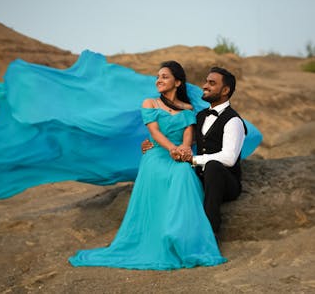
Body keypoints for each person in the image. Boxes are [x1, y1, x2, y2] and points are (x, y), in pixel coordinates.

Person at [68, 61, 225, 270]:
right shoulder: (149, 103)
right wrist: (172, 149)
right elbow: (155, 133)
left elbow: (188, 135)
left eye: (165, 76)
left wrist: (185, 150)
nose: (159, 80)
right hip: (157, 154)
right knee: (169, 174)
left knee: (183, 174)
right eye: (158, 76)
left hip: (180, 155)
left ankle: (180, 236)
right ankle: (160, 239)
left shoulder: (188, 108)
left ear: (177, 82)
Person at [143, 66, 246, 239]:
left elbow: (229, 158)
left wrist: (194, 159)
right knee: (180, 174)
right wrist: (151, 144)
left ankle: (210, 231)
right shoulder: (201, 116)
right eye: (206, 81)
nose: (205, 85)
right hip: (201, 177)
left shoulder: (233, 120)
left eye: (212, 83)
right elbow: (187, 138)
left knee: (213, 166)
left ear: (225, 90)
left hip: (225, 182)